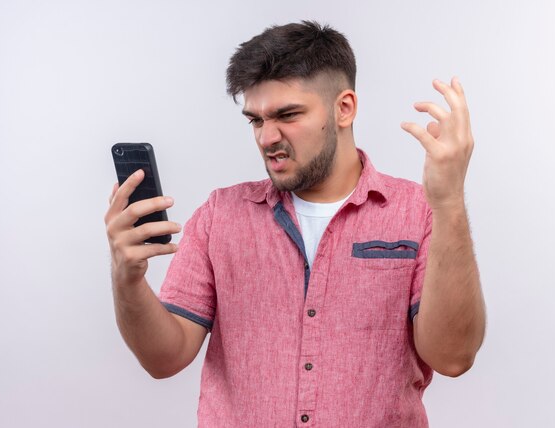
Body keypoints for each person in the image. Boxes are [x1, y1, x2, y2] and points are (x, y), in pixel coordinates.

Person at [104, 21, 486, 427]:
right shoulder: (220, 216)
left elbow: (453, 357)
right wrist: (127, 278)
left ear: (345, 108)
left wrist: (448, 205)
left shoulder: (416, 212)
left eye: (287, 114)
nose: (267, 138)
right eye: (255, 120)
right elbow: (165, 358)